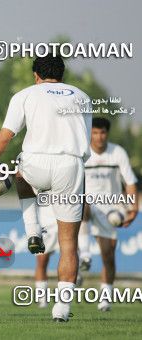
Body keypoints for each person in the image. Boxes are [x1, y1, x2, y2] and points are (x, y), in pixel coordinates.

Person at [0, 55, 92, 322]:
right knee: (68, 243)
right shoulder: (82, 96)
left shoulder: (26, 94)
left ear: (36, 75)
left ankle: (32, 231)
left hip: (36, 161)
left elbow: (5, 136)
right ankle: (61, 310)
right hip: (71, 165)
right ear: (62, 74)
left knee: (20, 175)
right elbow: (84, 143)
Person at [80, 117, 138, 312]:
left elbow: (130, 182)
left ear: (107, 133)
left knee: (108, 255)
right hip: (88, 204)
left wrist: (133, 208)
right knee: (83, 205)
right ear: (90, 134)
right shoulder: (82, 153)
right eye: (95, 133)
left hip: (112, 208)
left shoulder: (117, 152)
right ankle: (85, 256)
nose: (99, 137)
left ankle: (105, 299)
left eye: (102, 132)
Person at [33, 204, 60, 308]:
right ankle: (42, 299)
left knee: (70, 254)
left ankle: (75, 278)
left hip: (66, 220)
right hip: (45, 224)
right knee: (42, 262)